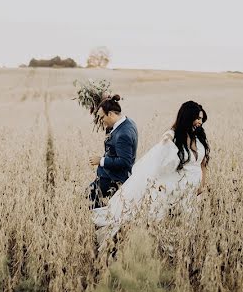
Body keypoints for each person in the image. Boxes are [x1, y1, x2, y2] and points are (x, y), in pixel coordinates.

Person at [92, 100, 210, 248]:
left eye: (201, 118)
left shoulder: (199, 138)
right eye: (197, 118)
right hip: (179, 189)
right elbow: (160, 161)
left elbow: (203, 163)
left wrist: (202, 185)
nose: (199, 122)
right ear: (187, 117)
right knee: (170, 226)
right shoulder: (173, 137)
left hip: (195, 191)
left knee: (188, 225)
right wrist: (166, 144)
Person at [87, 94, 139, 208]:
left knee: (90, 198)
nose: (101, 121)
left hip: (113, 179)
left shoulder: (123, 134)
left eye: (102, 117)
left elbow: (125, 162)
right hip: (109, 176)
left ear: (110, 114)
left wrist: (100, 161)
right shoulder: (126, 122)